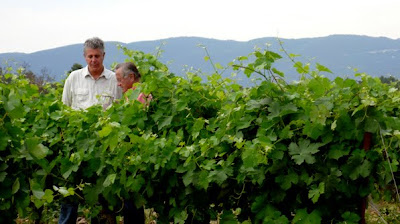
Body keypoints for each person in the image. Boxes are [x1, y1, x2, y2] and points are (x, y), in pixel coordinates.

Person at [59, 37, 122, 224]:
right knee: (72, 190)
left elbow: (118, 110)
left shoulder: (113, 79)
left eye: (97, 56)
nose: (93, 60)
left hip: (104, 145)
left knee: (102, 190)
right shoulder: (74, 78)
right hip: (77, 142)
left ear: (104, 56)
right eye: (90, 56)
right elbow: (65, 108)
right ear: (85, 57)